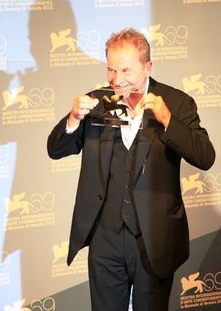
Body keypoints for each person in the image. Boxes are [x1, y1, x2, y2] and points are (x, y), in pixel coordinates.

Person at [47, 28, 215, 311]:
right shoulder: (97, 103)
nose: (116, 79)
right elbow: (55, 149)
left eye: (125, 69)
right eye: (111, 69)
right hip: (105, 239)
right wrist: (73, 117)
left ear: (148, 67)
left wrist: (167, 119)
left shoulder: (176, 103)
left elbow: (205, 156)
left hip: (153, 238)